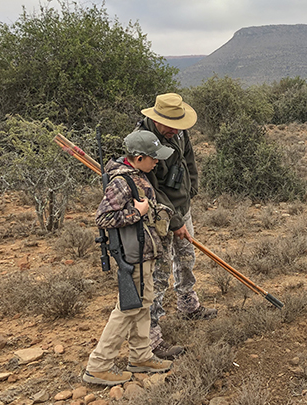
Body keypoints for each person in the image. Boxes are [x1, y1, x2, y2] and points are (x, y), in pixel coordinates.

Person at [83, 130, 175, 386]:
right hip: (133, 255)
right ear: (137, 157)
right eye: (153, 158)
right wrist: (135, 212)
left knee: (142, 305)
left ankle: (141, 356)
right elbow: (102, 218)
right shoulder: (122, 182)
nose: (157, 162)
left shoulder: (137, 176)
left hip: (143, 253)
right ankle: (98, 365)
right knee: (126, 309)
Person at [136, 93, 217, 360]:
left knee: (186, 258)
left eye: (177, 123)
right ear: (156, 118)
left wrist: (191, 187)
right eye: (169, 124)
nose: (174, 128)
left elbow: (189, 160)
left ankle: (188, 304)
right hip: (159, 215)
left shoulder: (179, 134)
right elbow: (151, 188)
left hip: (182, 207)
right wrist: (174, 221)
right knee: (158, 274)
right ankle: (151, 339)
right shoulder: (143, 142)